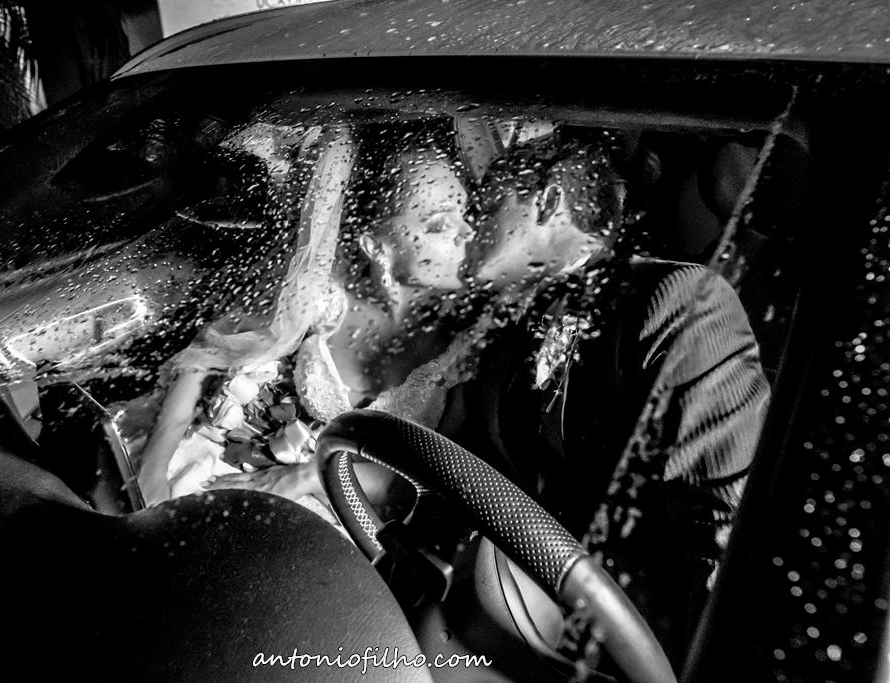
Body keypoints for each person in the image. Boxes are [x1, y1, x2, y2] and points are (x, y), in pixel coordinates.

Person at [443, 128, 771, 666]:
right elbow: (464, 466)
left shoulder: (678, 300)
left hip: (638, 649)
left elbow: (724, 538)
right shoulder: (500, 330)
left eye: (486, 204)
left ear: (547, 201)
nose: (468, 222)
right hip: (508, 619)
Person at [139, 119, 478, 507]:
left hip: (349, 514)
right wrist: (154, 467)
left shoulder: (473, 343)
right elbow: (209, 353)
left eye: (465, 210)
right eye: (439, 224)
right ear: (376, 246)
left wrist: (308, 476)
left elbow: (436, 480)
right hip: (241, 468)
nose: (468, 232)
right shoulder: (322, 292)